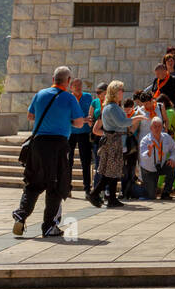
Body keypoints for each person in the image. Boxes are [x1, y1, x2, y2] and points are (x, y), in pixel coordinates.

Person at [12, 65, 85, 239]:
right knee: (56, 185)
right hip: (58, 145)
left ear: (53, 79)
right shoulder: (69, 98)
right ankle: (49, 226)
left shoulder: (40, 94)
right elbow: (79, 123)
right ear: (68, 81)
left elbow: (30, 116)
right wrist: (65, 119)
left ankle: (21, 214)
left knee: (33, 183)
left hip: (38, 144)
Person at [88, 80, 130, 209]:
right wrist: (108, 134)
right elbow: (96, 129)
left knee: (114, 171)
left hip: (115, 141)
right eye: (121, 90)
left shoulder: (114, 107)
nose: (123, 93)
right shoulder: (110, 108)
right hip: (112, 142)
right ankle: (94, 194)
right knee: (109, 172)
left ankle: (112, 198)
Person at [139, 116, 175, 200]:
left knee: (173, 166)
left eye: (159, 126)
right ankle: (133, 189)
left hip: (160, 166)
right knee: (151, 196)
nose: (157, 129)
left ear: (162, 127)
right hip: (148, 170)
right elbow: (143, 156)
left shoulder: (166, 137)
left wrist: (172, 158)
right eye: (155, 126)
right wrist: (149, 152)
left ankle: (166, 193)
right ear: (150, 128)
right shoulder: (145, 140)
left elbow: (174, 149)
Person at [68, 78, 93, 196]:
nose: (78, 87)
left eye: (80, 85)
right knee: (68, 161)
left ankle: (87, 188)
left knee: (86, 161)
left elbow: (91, 113)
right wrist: (82, 120)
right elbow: (67, 117)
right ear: (71, 87)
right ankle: (67, 187)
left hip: (84, 133)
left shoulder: (88, 97)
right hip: (70, 133)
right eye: (76, 85)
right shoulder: (68, 98)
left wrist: (90, 119)